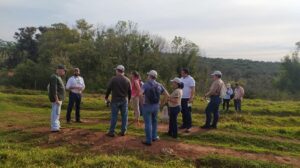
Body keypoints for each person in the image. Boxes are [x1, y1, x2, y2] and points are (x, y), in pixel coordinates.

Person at [141, 70, 169, 146]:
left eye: (148, 75)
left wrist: (141, 103)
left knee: (148, 123)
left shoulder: (145, 85)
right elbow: (167, 95)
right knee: (154, 122)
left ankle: (148, 140)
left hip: (147, 106)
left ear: (150, 76)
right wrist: (162, 104)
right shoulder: (159, 85)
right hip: (156, 106)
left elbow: (140, 94)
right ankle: (154, 136)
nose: (147, 76)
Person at [105, 65, 131, 137]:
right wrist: (129, 100)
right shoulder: (127, 80)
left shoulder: (113, 79)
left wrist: (106, 97)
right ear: (123, 71)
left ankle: (112, 131)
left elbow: (109, 89)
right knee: (124, 116)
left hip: (115, 100)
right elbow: (130, 91)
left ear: (117, 70)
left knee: (114, 116)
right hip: (124, 100)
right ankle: (123, 131)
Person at [48, 65, 66, 132]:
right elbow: (54, 89)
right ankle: (54, 127)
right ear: (60, 70)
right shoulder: (54, 77)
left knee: (57, 113)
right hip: (56, 99)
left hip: (59, 98)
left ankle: (57, 125)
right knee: (55, 112)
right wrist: (56, 99)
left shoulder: (58, 77)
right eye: (64, 71)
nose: (64, 72)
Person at [180, 68, 196, 133]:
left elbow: (193, 89)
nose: (181, 73)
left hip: (188, 98)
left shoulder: (191, 79)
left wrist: (191, 97)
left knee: (188, 112)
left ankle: (189, 126)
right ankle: (184, 124)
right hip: (181, 98)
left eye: (182, 72)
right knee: (183, 111)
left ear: (186, 73)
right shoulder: (181, 79)